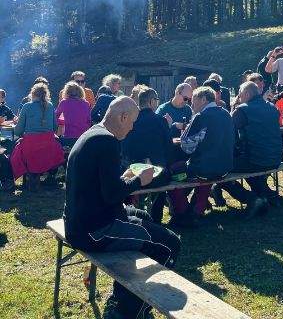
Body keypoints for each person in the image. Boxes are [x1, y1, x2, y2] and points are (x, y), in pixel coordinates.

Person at [64, 96, 180, 319]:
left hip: (80, 221)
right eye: (132, 122)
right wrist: (139, 181)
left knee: (144, 216)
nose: (132, 127)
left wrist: (124, 178)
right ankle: (127, 311)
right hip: (94, 231)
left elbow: (103, 186)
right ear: (123, 116)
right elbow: (112, 195)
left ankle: (124, 294)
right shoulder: (107, 141)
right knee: (170, 244)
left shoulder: (93, 133)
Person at [212, 81, 283, 216]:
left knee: (217, 169)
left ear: (247, 94)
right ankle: (264, 195)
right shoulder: (272, 107)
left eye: (240, 94)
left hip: (255, 159)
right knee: (250, 161)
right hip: (275, 159)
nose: (239, 97)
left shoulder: (242, 110)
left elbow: (227, 134)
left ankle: (251, 199)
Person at [169, 86, 234, 227]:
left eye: (194, 101)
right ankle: (197, 209)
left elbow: (187, 147)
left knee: (172, 171)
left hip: (204, 170)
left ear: (203, 99)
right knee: (205, 170)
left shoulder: (201, 117)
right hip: (225, 167)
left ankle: (182, 212)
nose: (191, 105)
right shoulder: (226, 114)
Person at [121, 87, 173, 224]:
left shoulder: (131, 121)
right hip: (157, 176)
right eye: (157, 100)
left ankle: (129, 213)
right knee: (163, 173)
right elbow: (169, 149)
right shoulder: (161, 121)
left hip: (132, 175)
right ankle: (156, 219)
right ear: (151, 101)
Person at [11, 82, 64, 189]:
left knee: (16, 148)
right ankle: (48, 176)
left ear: (32, 94)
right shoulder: (50, 106)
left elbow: (17, 131)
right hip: (48, 146)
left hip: (30, 147)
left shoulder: (27, 106)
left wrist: (21, 130)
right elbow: (54, 127)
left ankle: (30, 176)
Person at [55, 80, 91, 146]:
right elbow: (88, 121)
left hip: (68, 138)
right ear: (80, 92)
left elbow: (55, 117)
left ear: (66, 92)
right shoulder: (86, 103)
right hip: (83, 138)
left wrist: (62, 122)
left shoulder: (64, 102)